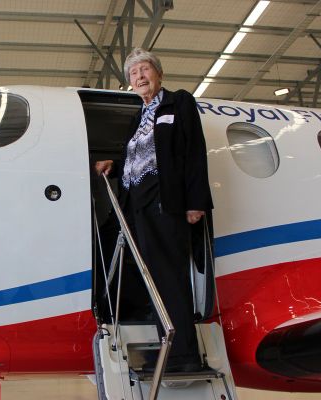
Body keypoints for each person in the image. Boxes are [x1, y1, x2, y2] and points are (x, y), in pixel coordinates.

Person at [95, 48, 213, 373]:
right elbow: (137, 157)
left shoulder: (178, 102)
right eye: (133, 73)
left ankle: (183, 356)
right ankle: (167, 347)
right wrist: (115, 165)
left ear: (158, 74)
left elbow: (194, 151)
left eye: (145, 69)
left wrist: (195, 201)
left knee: (169, 275)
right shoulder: (139, 117)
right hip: (138, 207)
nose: (140, 77)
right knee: (150, 276)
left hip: (165, 202)